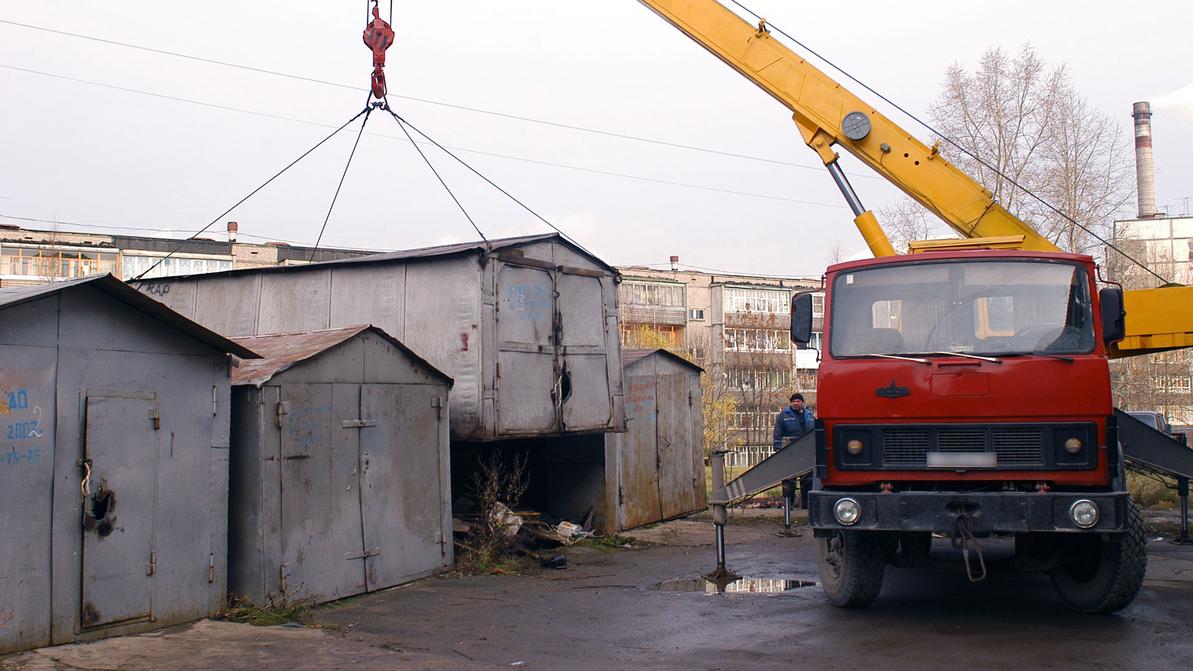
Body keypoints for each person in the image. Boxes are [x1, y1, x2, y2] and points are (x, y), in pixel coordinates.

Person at [773, 392, 815, 510]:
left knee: (808, 480)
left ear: (802, 403)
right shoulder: (784, 416)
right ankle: (788, 505)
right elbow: (777, 433)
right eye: (794, 401)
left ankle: (807, 506)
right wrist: (778, 448)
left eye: (798, 401)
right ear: (791, 403)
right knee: (789, 481)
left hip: (806, 453)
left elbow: (815, 432)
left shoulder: (810, 416)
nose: (796, 403)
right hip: (789, 452)